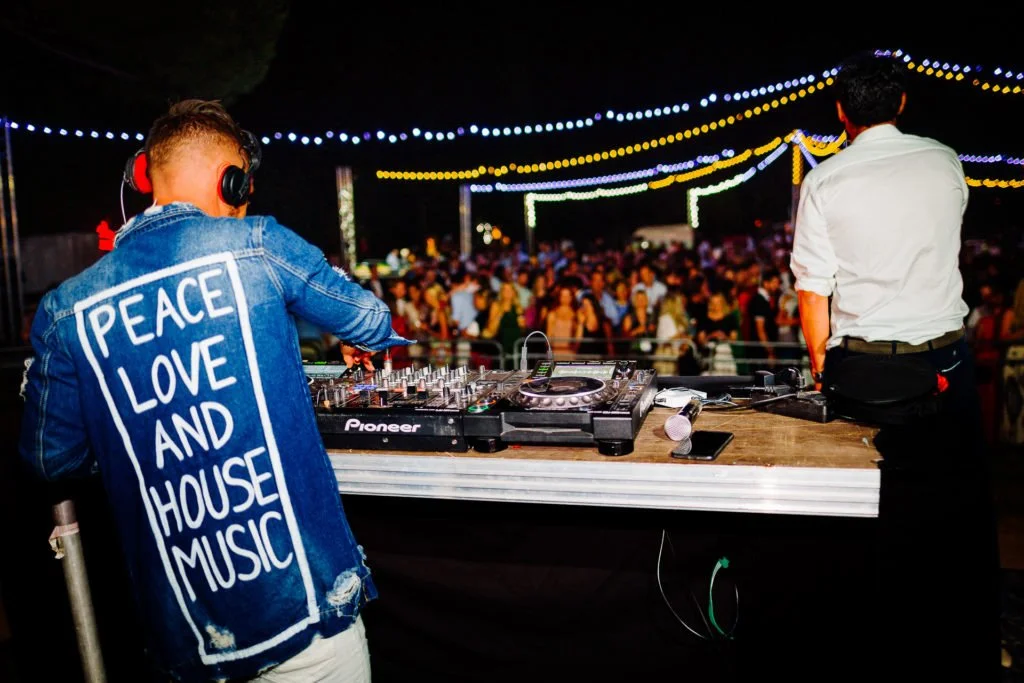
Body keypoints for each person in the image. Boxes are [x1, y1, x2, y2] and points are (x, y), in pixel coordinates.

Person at [18, 99, 409, 683]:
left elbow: (50, 459)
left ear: (148, 174)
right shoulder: (257, 242)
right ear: (234, 177)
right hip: (304, 626)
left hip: (186, 643)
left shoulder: (63, 310)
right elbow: (371, 321)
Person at [790, 53, 1000, 679]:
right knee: (954, 516)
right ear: (902, 103)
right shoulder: (944, 161)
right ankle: (960, 647)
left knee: (869, 516)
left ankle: (869, 648)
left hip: (863, 368)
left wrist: (826, 374)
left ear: (840, 112)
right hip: (947, 360)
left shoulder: (826, 182)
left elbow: (812, 293)